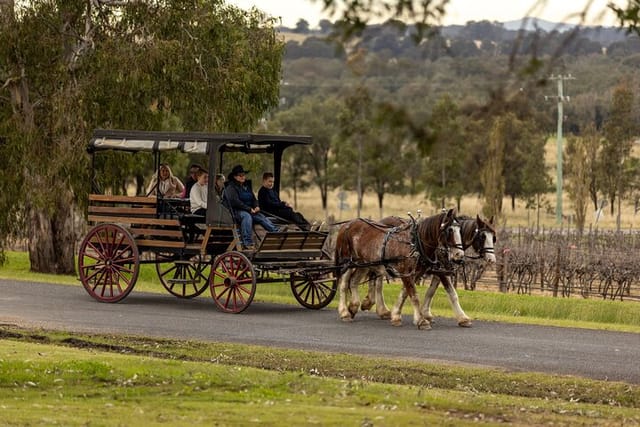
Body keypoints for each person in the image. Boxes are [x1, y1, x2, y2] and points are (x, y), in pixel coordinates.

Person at [223, 164, 278, 250]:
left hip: (249, 209)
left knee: (260, 216)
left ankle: (275, 232)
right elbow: (235, 202)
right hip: (235, 211)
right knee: (247, 216)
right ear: (235, 177)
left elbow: (253, 198)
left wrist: (256, 206)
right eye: (240, 175)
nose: (243, 177)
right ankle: (247, 242)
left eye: (243, 175)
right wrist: (249, 209)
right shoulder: (231, 188)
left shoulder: (246, 187)